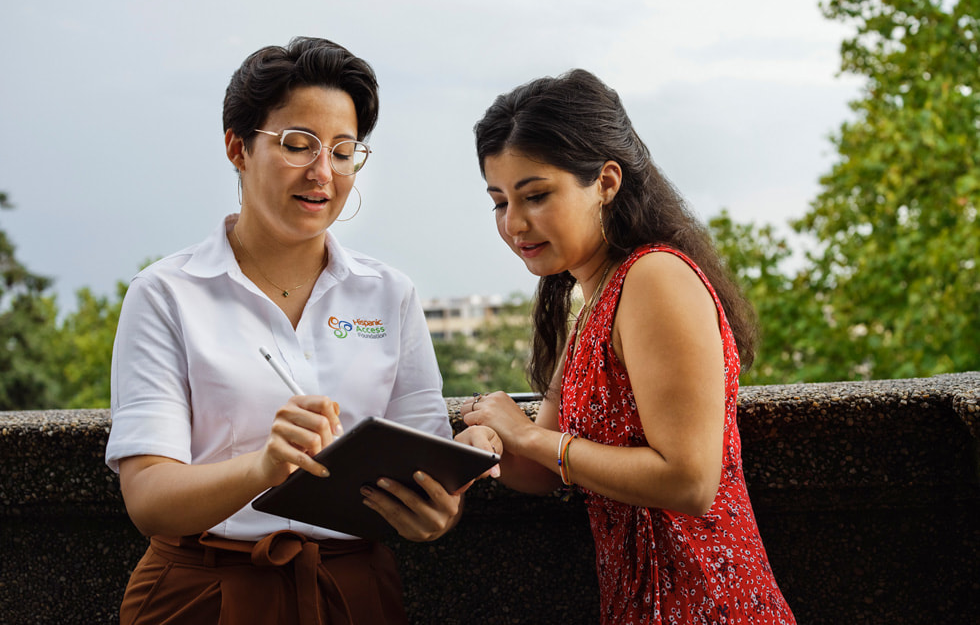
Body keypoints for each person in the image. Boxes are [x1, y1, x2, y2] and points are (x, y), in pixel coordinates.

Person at [105, 37, 473, 625]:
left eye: (344, 151)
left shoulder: (390, 294)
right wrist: (262, 467)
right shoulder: (167, 293)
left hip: (354, 593)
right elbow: (148, 499)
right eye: (298, 145)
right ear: (238, 148)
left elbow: (426, 467)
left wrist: (438, 514)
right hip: (205, 591)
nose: (323, 172)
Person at [459, 69, 797, 624]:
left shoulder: (655, 277)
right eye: (498, 202)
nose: (514, 223)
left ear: (607, 182)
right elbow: (544, 467)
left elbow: (688, 480)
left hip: (707, 601)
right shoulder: (592, 304)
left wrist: (521, 433)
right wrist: (488, 448)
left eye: (536, 195)